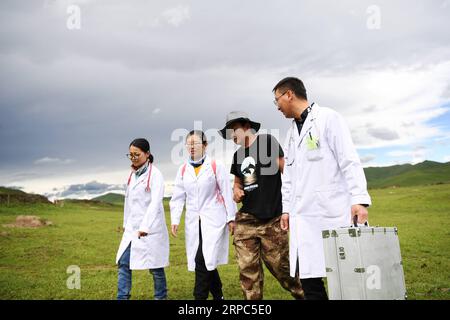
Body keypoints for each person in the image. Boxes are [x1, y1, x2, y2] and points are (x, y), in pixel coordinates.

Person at [273, 77, 372, 300]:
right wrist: (286, 209)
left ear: (289, 94)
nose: (277, 106)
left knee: (345, 276)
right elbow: (288, 176)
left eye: (277, 100)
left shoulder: (328, 118)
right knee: (309, 280)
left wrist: (359, 199)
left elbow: (349, 160)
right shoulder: (291, 133)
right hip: (303, 218)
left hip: (332, 211)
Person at [219, 112, 304, 300]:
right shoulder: (238, 155)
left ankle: (307, 295)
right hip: (247, 219)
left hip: (271, 219)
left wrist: (292, 206)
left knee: (282, 269)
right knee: (247, 271)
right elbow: (238, 182)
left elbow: (287, 172)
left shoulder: (267, 142)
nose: (232, 135)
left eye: (234, 130)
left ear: (246, 126)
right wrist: (236, 190)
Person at [170, 130, 236, 300]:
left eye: (196, 143)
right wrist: (175, 219)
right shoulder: (183, 169)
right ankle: (218, 295)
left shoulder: (215, 166)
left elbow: (227, 192)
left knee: (202, 259)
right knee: (207, 259)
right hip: (194, 221)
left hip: (214, 220)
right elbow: (178, 197)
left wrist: (231, 218)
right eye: (189, 144)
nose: (192, 147)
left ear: (205, 146)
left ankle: (199, 298)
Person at [116, 138, 169, 300]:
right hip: (132, 229)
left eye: (136, 154)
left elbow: (155, 202)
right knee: (123, 262)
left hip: (151, 229)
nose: (133, 158)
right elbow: (128, 202)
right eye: (130, 155)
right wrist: (126, 224)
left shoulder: (156, 175)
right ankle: (122, 297)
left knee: (155, 267)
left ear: (147, 154)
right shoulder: (132, 176)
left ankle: (161, 297)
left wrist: (145, 226)